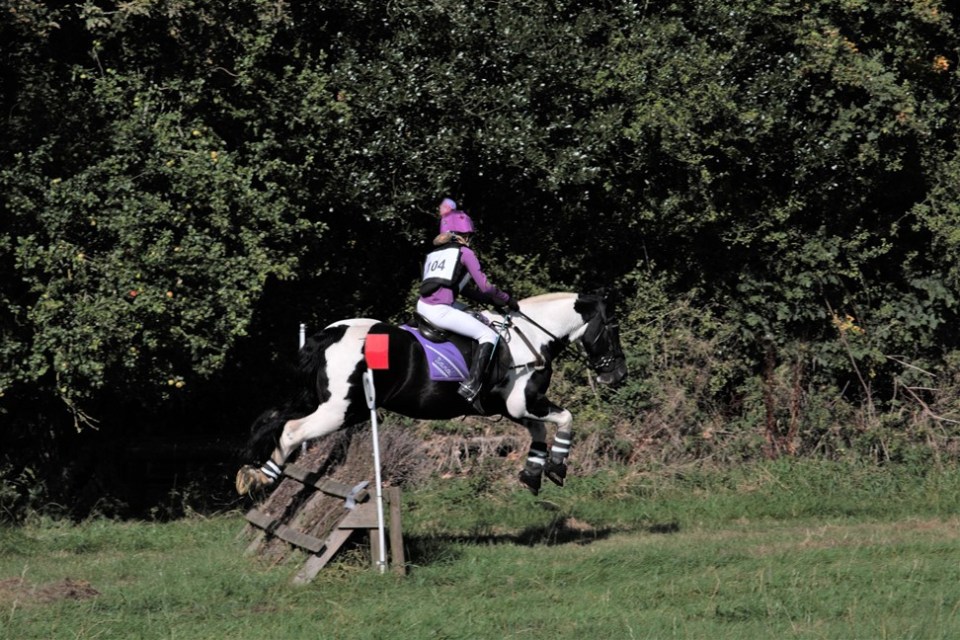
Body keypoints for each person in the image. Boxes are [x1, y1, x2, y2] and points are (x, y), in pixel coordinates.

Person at [417, 198, 520, 403]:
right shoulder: (465, 252)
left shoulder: (435, 254)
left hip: (422, 306)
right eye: (467, 235)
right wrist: (506, 298)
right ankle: (472, 386)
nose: (469, 239)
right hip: (440, 310)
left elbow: (463, 290)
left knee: (478, 317)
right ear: (459, 234)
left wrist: (491, 301)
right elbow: (485, 287)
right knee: (488, 335)